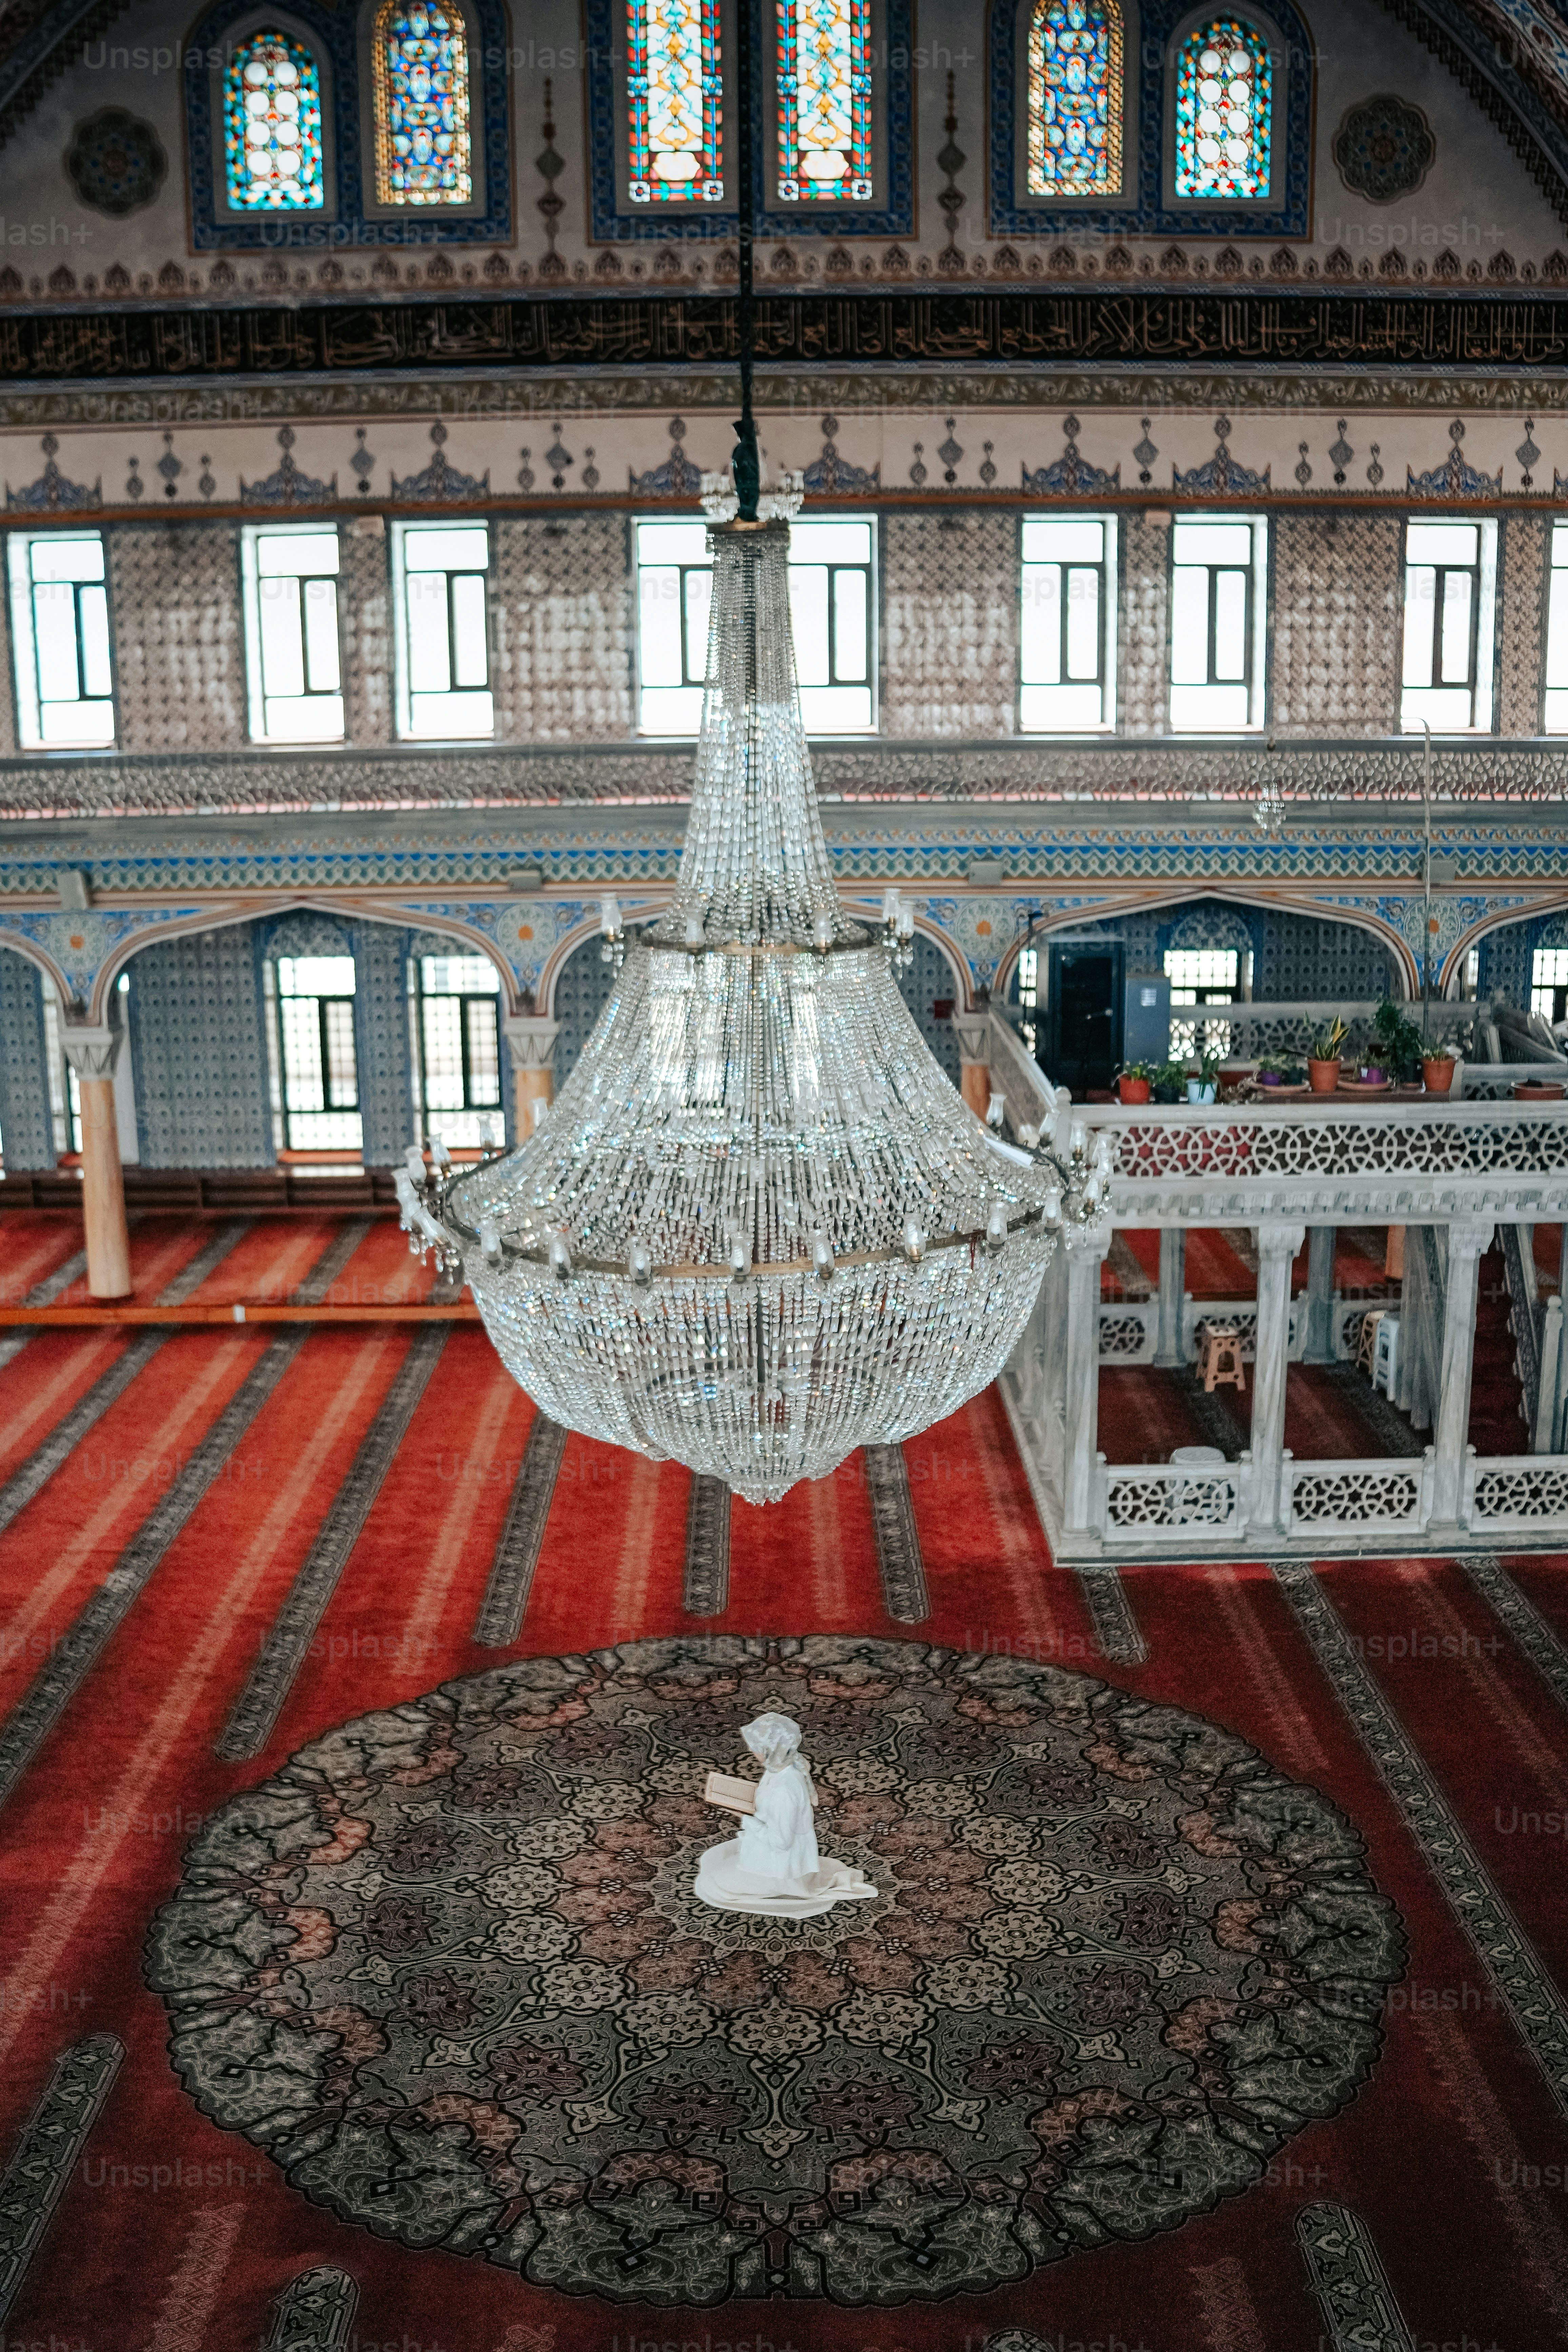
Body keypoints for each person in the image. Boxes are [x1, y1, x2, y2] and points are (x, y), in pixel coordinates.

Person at [694, 1711, 877, 1916]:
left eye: (755, 1747)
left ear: (770, 1748)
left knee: (712, 1885)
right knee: (715, 1863)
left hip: (781, 1866)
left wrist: (743, 1817)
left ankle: (786, 1886)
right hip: (776, 1849)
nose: (749, 1750)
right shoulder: (782, 1766)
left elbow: (781, 1842)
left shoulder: (784, 1791)